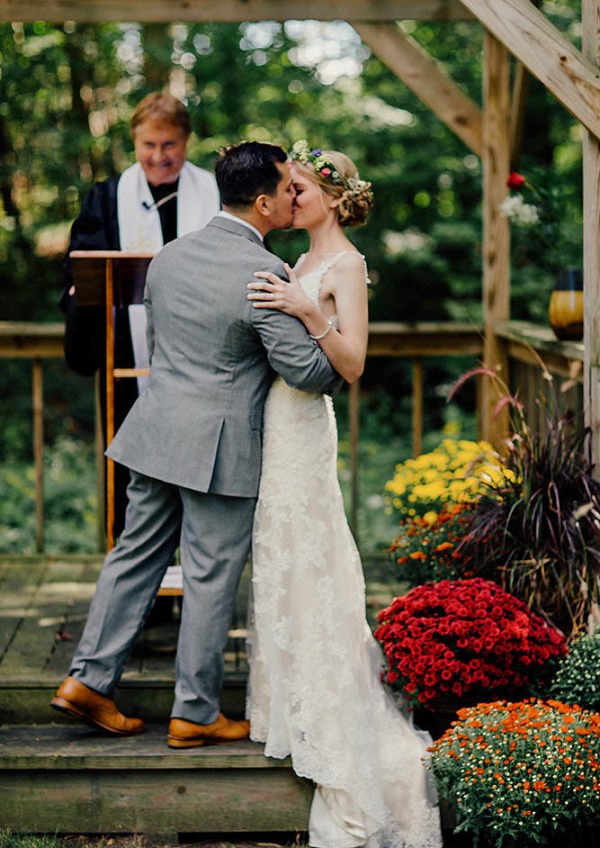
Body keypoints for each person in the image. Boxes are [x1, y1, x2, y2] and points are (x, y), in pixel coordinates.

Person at [51, 141, 342, 747]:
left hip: (155, 430)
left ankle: (87, 681)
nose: (294, 196)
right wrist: (324, 331)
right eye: (288, 188)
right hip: (220, 448)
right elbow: (308, 373)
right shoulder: (264, 276)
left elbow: (166, 346)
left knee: (134, 556)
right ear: (263, 204)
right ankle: (196, 712)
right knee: (210, 576)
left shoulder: (170, 257)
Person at [246, 141, 443, 848]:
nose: (288, 196)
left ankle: (331, 717)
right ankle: (284, 703)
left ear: (330, 196)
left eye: (297, 187)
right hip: (273, 421)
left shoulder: (346, 265)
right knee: (280, 555)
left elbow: (354, 362)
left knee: (312, 553)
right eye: (286, 187)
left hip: (307, 427)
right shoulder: (293, 258)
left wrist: (307, 310)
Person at [59, 91, 220, 537]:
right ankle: (142, 598)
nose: (158, 157)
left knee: (196, 478)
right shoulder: (107, 198)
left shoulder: (217, 194)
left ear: (186, 141)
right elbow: (83, 266)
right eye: (148, 146)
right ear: (135, 143)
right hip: (127, 363)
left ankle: (190, 590)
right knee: (132, 478)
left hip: (204, 369)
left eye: (168, 145)